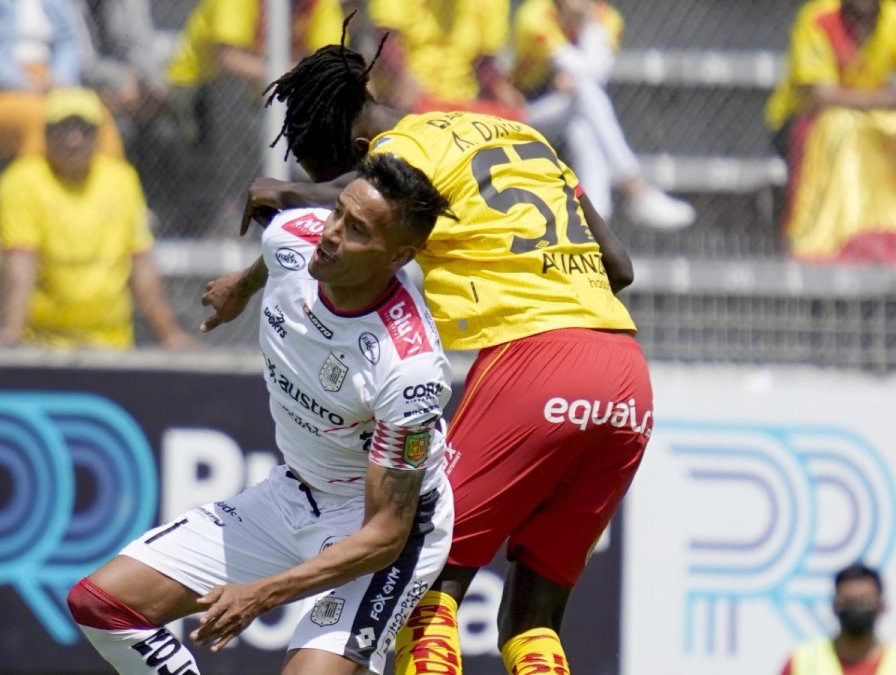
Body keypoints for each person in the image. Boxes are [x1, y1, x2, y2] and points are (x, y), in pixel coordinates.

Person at [201, 43, 654, 675]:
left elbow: (352, 195)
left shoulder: (406, 147)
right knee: (533, 624)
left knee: (422, 587)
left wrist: (288, 190)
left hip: (535, 362)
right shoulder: (521, 136)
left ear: (363, 155)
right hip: (626, 381)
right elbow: (620, 268)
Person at [66, 153, 456, 674]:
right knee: (102, 605)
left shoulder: (409, 369)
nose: (331, 233)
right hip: (291, 495)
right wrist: (239, 289)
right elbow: (275, 256)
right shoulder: (295, 234)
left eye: (357, 230)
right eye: (337, 212)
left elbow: (385, 533)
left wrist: (262, 593)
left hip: (379, 532)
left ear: (398, 256)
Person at [0, 87, 195, 350]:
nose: (74, 140)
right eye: (64, 128)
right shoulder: (21, 182)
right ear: (46, 134)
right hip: (43, 346)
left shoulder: (121, 180)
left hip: (113, 345)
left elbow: (141, 263)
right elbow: (20, 263)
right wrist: (12, 334)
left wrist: (170, 334)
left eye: (84, 130)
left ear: (99, 136)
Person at [511, 0, 696, 231]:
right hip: (527, 108)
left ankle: (597, 225)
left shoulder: (607, 19)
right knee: (586, 95)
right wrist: (576, 77)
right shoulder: (536, 14)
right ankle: (635, 188)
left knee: (582, 123)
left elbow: (597, 74)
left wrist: (588, 25)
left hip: (573, 107)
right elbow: (576, 69)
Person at [163, 0, 344, 233]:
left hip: (270, 93)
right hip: (200, 91)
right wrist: (295, 74)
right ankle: (230, 207)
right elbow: (228, 60)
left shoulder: (319, 4)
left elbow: (332, 61)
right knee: (231, 92)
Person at [766, 0, 896, 261]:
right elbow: (822, 96)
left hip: (869, 117)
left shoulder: (892, 17)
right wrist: (885, 99)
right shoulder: (817, 19)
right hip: (809, 119)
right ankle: (840, 235)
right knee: (843, 127)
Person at [0, 0, 123, 159]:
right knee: (39, 121)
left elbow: (69, 40)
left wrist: (60, 79)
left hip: (50, 83)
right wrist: (23, 83)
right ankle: (37, 198)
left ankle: (115, 197)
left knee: (97, 117)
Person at [366, 0, 525, 117]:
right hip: (404, 103)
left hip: (460, 103)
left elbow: (485, 61)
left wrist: (501, 89)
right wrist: (403, 76)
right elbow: (386, 39)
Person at [779, 563, 893, 675]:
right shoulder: (802, 662)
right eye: (849, 602)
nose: (856, 609)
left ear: (881, 606)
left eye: (864, 601)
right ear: (835, 606)